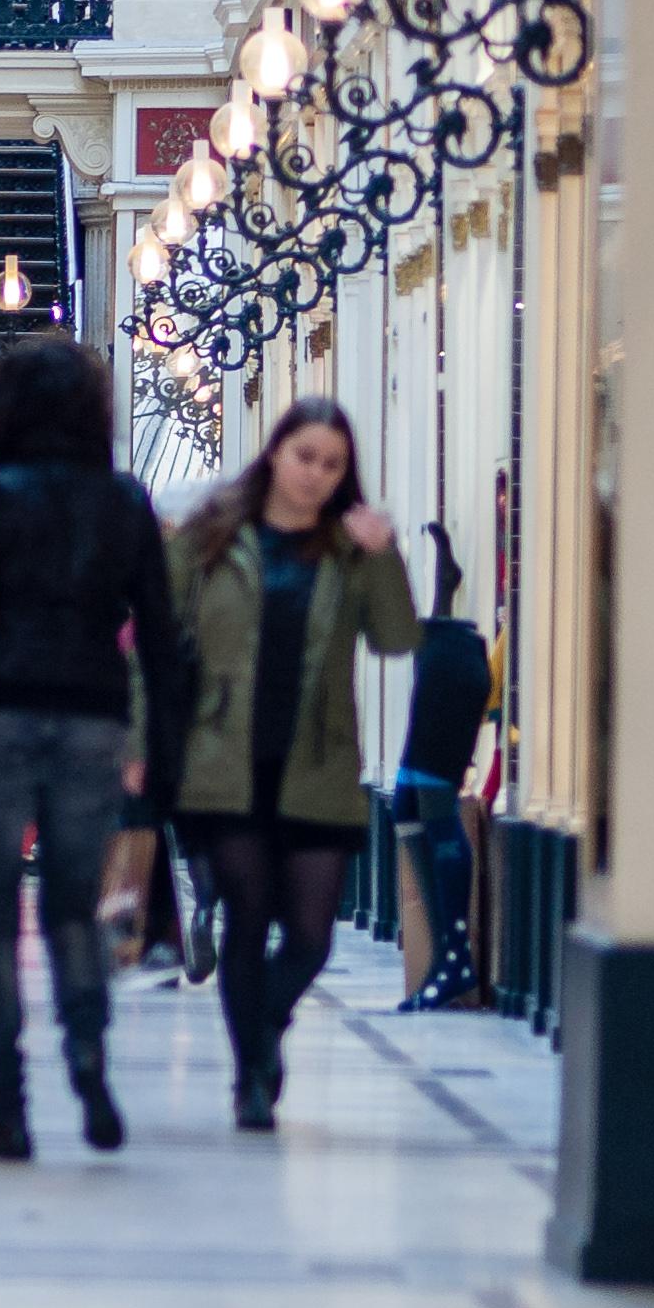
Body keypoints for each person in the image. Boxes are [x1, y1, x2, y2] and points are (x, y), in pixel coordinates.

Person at [0, 336, 185, 1161]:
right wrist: (165, 759)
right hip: (92, 719)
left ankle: (7, 1104)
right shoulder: (125, 501)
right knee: (75, 904)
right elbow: (161, 636)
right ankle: (89, 1061)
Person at [166, 397, 418, 1130]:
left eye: (332, 464)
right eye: (305, 456)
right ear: (276, 452)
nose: (315, 474)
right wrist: (145, 744)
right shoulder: (214, 533)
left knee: (310, 935)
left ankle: (266, 1022)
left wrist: (384, 554)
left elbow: (398, 638)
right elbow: (158, 637)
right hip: (224, 758)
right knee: (248, 921)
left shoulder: (348, 548)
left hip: (318, 760)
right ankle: (250, 1077)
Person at [389, 522, 496, 1012]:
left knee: (432, 795)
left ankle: (455, 955)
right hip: (445, 661)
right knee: (406, 802)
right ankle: (446, 956)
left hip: (456, 671)